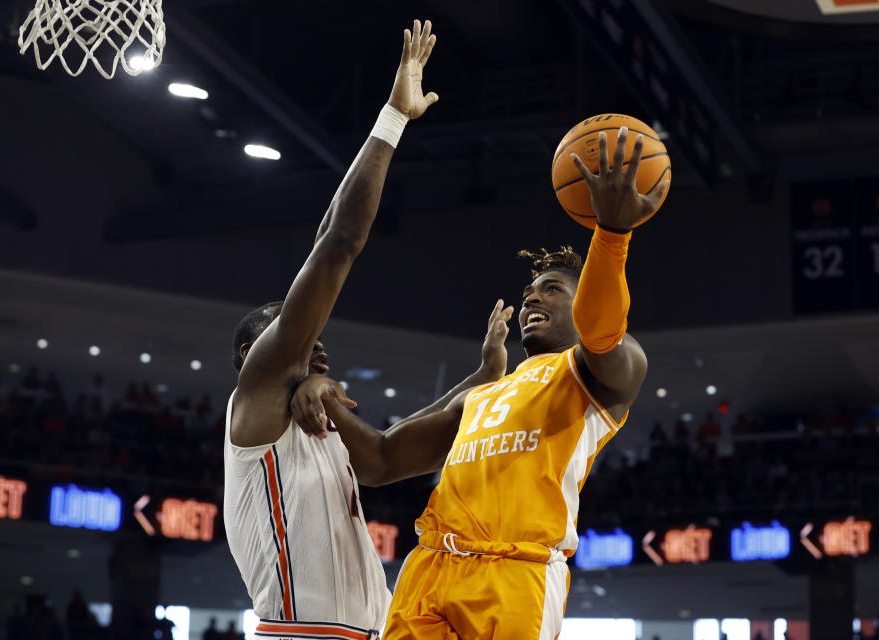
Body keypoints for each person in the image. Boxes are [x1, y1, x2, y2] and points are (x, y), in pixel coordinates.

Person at [301, 127, 668, 638]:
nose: (534, 299)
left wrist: (611, 235)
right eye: (529, 291)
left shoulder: (600, 371)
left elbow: (603, 329)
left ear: (583, 300)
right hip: (429, 568)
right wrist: (325, 395)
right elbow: (381, 461)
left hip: (515, 574)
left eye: (552, 289)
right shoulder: (482, 394)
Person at [223, 19, 510, 640]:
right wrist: (393, 119)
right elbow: (338, 241)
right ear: (254, 354)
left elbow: (387, 455)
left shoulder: (314, 424)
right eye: (291, 328)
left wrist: (482, 382)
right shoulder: (257, 396)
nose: (316, 338)